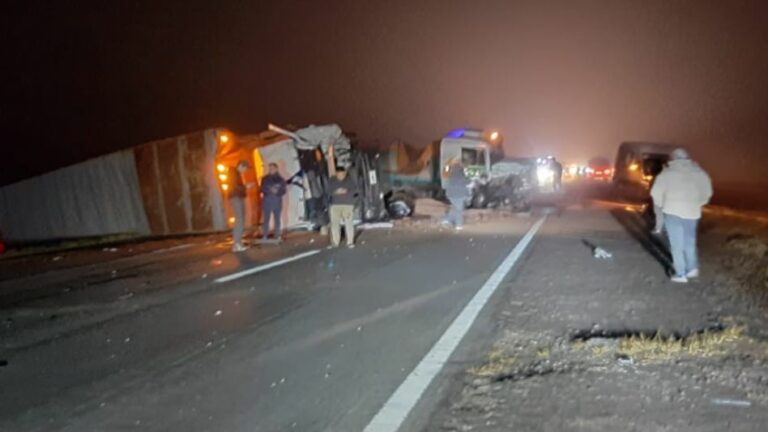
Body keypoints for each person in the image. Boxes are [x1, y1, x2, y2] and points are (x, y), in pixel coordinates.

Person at [650, 148, 713, 283]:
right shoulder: (699, 172)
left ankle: (680, 274)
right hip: (692, 212)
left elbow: (656, 193)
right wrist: (698, 203)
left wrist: (662, 205)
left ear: (672, 158)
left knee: (676, 244)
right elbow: (707, 192)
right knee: (690, 241)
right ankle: (692, 268)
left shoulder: (666, 174)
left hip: (672, 211)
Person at [328, 167, 358, 248]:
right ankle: (335, 242)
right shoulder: (332, 181)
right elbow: (328, 191)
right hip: (335, 205)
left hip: (347, 204)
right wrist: (335, 192)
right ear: (336, 174)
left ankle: (350, 242)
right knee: (335, 224)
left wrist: (346, 191)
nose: (341, 176)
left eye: (343, 174)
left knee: (349, 223)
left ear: (345, 173)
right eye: (340, 174)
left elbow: (355, 190)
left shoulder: (350, 180)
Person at [260, 163, 287, 241]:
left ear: (276, 169)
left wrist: (277, 192)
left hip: (277, 201)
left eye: (272, 168)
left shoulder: (280, 179)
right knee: (266, 219)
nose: (271, 170)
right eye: (270, 168)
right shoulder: (265, 179)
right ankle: (265, 235)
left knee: (277, 218)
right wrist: (269, 190)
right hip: (267, 201)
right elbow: (262, 189)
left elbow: (283, 190)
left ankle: (277, 235)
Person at [229, 160, 250, 252]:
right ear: (241, 166)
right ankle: (236, 244)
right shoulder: (233, 173)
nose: (245, 171)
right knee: (239, 219)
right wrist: (245, 186)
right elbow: (234, 186)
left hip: (238, 197)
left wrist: (244, 187)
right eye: (245, 169)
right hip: (236, 197)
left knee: (241, 219)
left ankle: (238, 243)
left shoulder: (237, 174)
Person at [444, 162, 469, 230]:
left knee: (454, 208)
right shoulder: (462, 174)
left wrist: (447, 166)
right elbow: (468, 181)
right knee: (459, 210)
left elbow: (445, 175)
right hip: (460, 195)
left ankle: (447, 220)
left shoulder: (451, 174)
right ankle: (458, 225)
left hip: (451, 194)